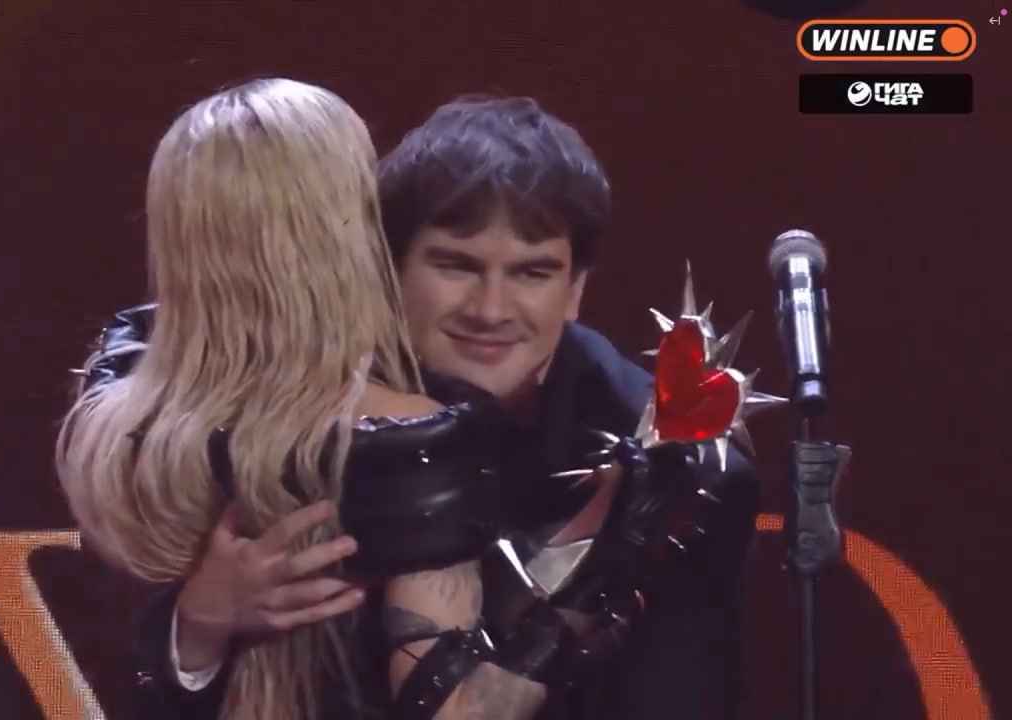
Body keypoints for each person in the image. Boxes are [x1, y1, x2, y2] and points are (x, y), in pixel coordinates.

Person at [81, 95, 760, 720]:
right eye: (456, 266)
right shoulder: (296, 414)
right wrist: (200, 626)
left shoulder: (670, 466)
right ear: (387, 269)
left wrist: (588, 585)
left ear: (575, 289)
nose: (490, 309)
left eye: (532, 272)